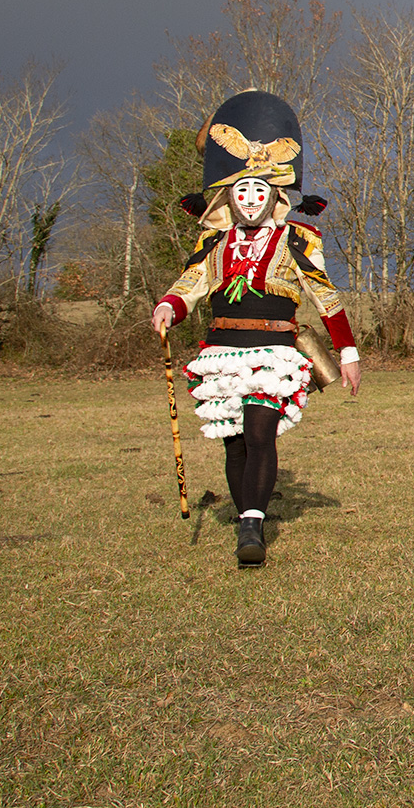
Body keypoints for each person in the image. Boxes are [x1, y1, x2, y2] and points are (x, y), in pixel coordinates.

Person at [151, 90, 361, 567]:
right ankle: (249, 514)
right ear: (231, 196)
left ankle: (251, 525)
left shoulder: (298, 239)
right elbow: (190, 284)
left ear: (275, 197)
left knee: (259, 429)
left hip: (273, 348)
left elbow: (324, 295)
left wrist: (347, 353)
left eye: (259, 192)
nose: (250, 200)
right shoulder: (214, 243)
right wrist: (168, 306)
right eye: (242, 191)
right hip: (223, 348)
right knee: (235, 438)